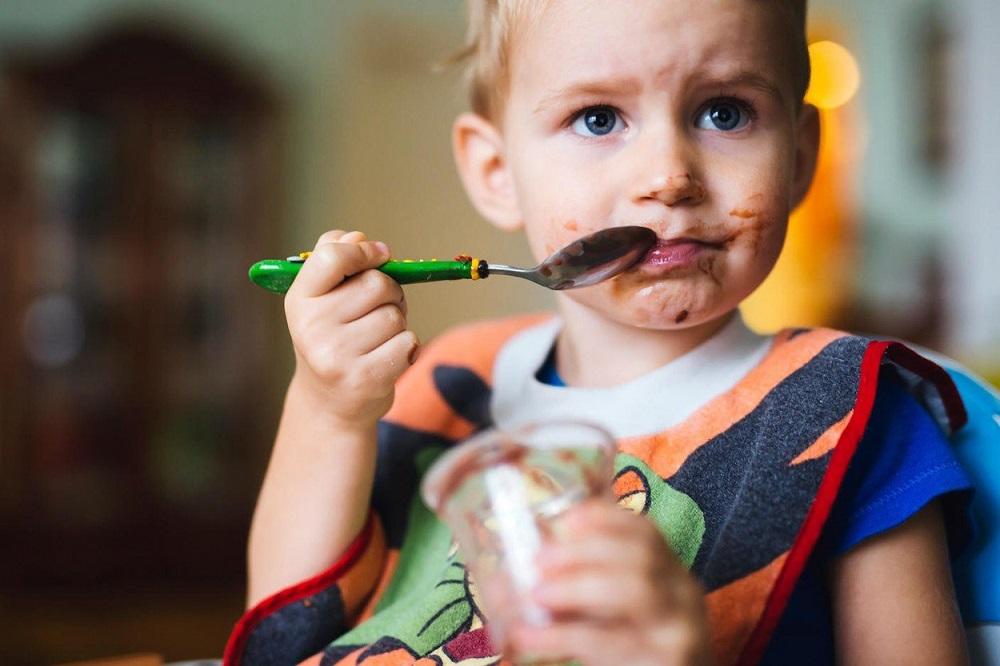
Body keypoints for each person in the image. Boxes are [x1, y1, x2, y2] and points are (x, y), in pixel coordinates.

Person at [223, 1, 973, 664]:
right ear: (496, 172)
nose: (669, 175)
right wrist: (327, 411)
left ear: (801, 155)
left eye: (725, 112)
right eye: (598, 118)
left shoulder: (853, 416)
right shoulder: (448, 387)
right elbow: (290, 628)